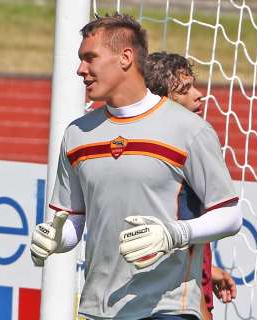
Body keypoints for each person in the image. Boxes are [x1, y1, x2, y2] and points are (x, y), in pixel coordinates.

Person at [30, 14, 242, 319]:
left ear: (125, 57)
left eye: (90, 58)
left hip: (168, 308)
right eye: (80, 59)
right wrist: (55, 238)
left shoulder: (189, 129)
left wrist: (173, 233)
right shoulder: (77, 135)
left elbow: (231, 215)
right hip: (101, 310)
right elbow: (73, 223)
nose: (80, 70)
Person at [144, 51, 238, 319]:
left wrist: (210, 270)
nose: (199, 94)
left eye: (193, 85)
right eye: (184, 90)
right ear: (161, 100)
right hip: (178, 299)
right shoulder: (179, 149)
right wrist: (198, 306)